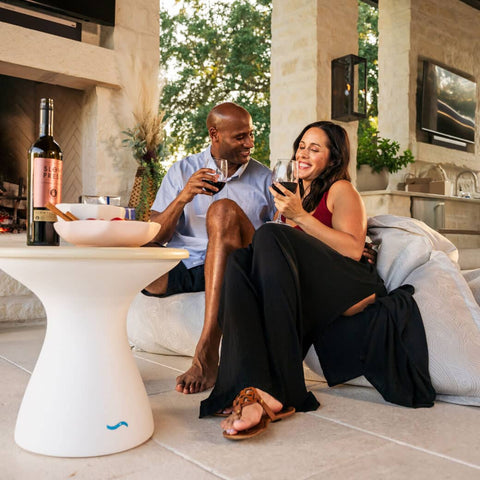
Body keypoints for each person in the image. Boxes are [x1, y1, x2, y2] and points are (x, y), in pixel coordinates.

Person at [199, 121, 435, 439]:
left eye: (315, 148)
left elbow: (353, 249)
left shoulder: (341, 190)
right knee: (241, 260)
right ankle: (243, 384)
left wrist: (298, 217)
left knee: (269, 234)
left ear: (332, 158)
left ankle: (281, 388)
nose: (304, 153)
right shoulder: (297, 196)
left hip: (351, 285)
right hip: (312, 290)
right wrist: (290, 217)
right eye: (301, 146)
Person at [143, 102, 276, 394]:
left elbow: (276, 240)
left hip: (238, 263)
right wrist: (183, 197)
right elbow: (156, 235)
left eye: (251, 135)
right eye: (240, 137)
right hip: (190, 262)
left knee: (223, 211)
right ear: (214, 134)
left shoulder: (266, 178)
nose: (250, 143)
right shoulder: (183, 171)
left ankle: (206, 350)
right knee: (139, 267)